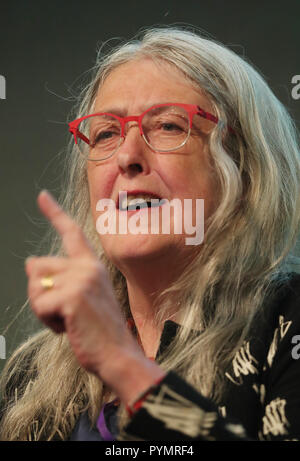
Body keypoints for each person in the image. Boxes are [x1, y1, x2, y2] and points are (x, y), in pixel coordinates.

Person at [0, 26, 300, 442]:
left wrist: (125, 368)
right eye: (106, 133)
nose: (127, 156)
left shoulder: (287, 327)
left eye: (169, 127)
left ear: (245, 169)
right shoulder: (30, 378)